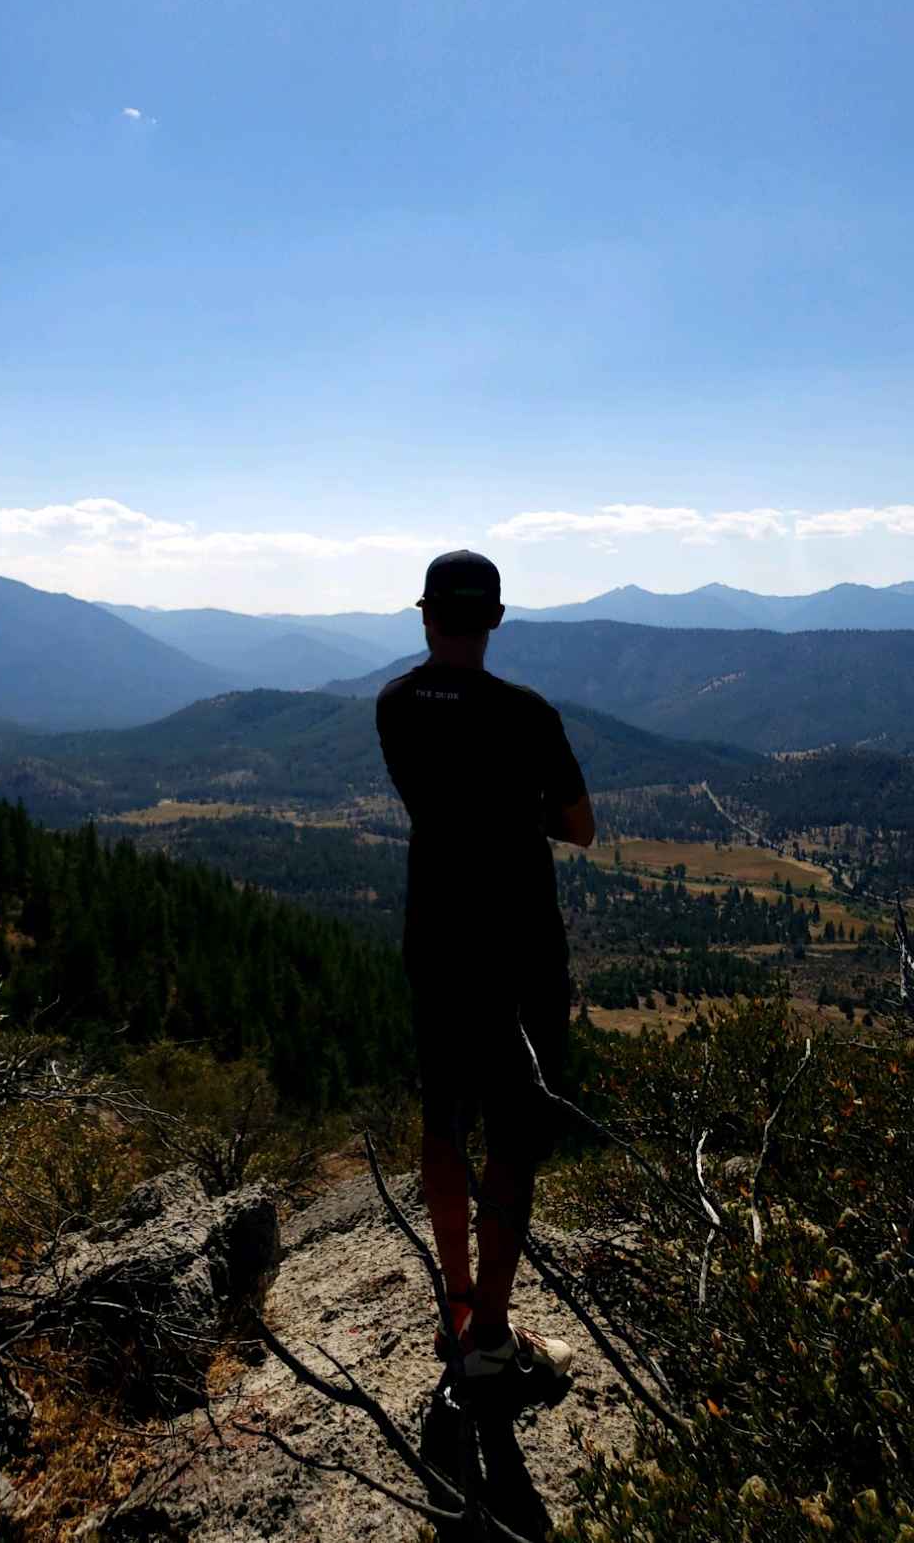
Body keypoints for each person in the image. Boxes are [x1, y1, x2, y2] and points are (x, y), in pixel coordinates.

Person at [375, 550, 595, 1380]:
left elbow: (438, 803)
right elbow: (581, 827)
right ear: (496, 619)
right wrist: (517, 813)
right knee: (511, 1135)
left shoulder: (394, 706)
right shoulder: (529, 715)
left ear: (426, 614)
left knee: (444, 1119)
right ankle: (494, 1342)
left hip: (435, 939)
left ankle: (457, 1308)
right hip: (519, 952)